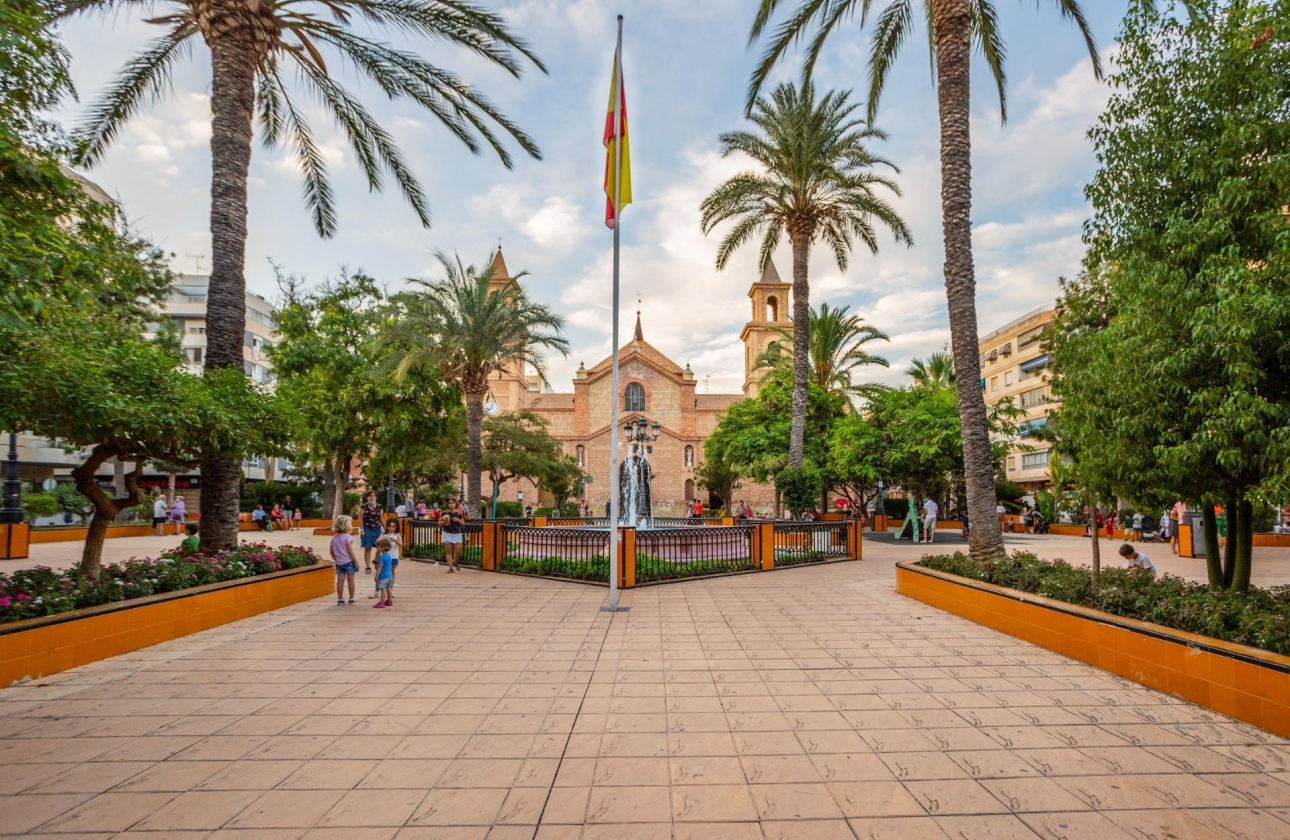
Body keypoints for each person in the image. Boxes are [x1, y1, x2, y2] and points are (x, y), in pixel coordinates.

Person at [330, 515, 359, 604]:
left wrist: (337, 559)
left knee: (340, 580)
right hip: (349, 562)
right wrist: (356, 561)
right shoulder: (347, 537)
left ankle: (340, 599)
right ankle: (351, 598)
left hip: (339, 563)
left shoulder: (334, 538)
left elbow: (331, 552)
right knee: (351, 580)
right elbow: (350, 551)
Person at [372, 518, 403, 600]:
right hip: (384, 557)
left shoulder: (397, 535)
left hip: (393, 557)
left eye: (393, 527)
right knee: (381, 573)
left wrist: (394, 540)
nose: (391, 528)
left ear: (396, 527)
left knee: (392, 574)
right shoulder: (383, 534)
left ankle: (390, 590)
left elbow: (401, 544)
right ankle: (376, 591)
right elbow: (377, 542)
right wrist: (384, 538)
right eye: (389, 526)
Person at [360, 491, 384, 574]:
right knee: (368, 548)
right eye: (370, 496)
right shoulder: (363, 507)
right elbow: (360, 519)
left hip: (377, 529)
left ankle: (376, 560)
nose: (371, 497)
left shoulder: (379, 506)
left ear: (376, 497)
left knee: (380, 548)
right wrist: (362, 530)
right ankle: (368, 567)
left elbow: (381, 518)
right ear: (367, 497)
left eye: (373, 496)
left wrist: (385, 529)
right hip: (367, 529)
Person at [442, 498, 466, 573]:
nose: (451, 504)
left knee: (458, 551)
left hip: (457, 533)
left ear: (455, 504)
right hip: (447, 533)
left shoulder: (459, 513)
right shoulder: (444, 513)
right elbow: (439, 523)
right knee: (449, 551)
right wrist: (445, 521)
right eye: (449, 503)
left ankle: (454, 562)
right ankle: (451, 568)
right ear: (448, 504)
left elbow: (463, 524)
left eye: (452, 503)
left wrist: (458, 520)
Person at [372, 535, 395, 608]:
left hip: (383, 576)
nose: (377, 548)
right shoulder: (389, 556)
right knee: (389, 588)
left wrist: (377, 575)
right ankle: (389, 600)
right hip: (389, 576)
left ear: (383, 547)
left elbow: (380, 567)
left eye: (378, 547)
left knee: (383, 589)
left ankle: (382, 602)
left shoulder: (382, 557)